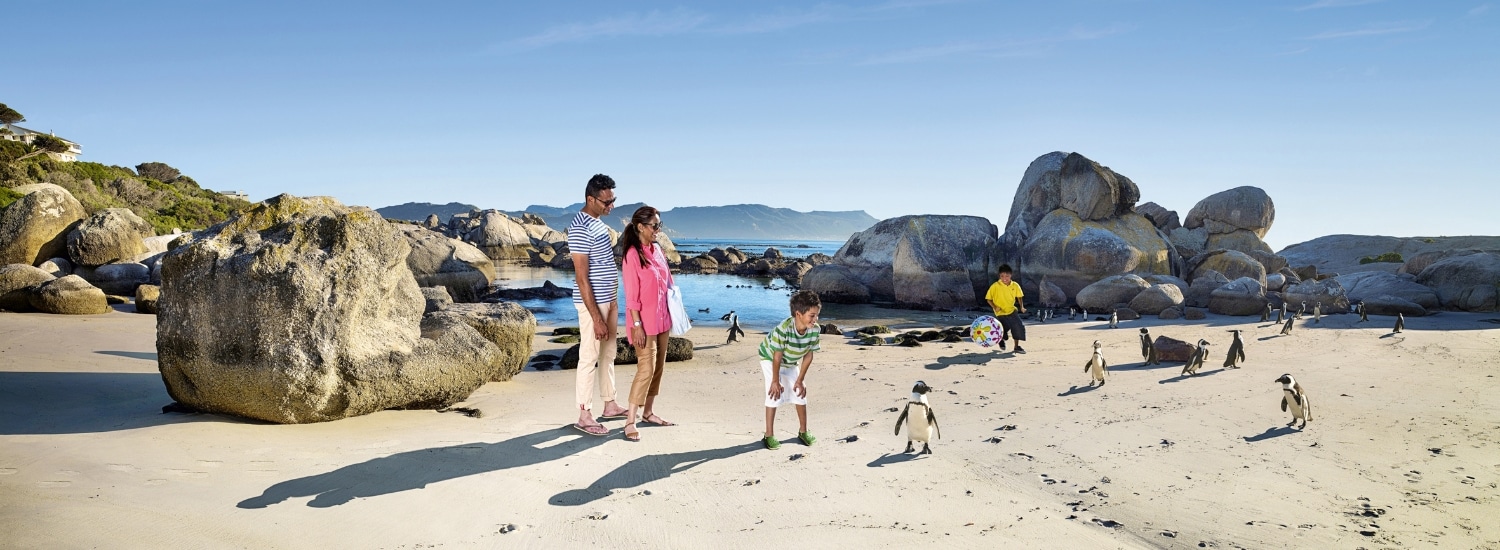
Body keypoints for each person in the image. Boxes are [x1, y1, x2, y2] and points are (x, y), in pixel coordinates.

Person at [568, 174, 629, 436]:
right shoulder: (580, 227)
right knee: (589, 356)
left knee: (608, 353)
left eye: (613, 200)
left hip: (609, 300)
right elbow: (582, 278)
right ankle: (584, 414)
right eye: (606, 202)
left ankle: (610, 403)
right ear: (590, 199)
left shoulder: (598, 224)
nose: (611, 206)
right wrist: (596, 317)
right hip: (593, 305)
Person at [619, 205, 676, 442]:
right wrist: (637, 325)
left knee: (658, 368)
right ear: (641, 227)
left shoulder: (658, 250)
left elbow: (668, 282)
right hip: (643, 322)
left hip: (663, 319)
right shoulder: (632, 255)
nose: (658, 230)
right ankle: (630, 421)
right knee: (646, 369)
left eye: (659, 225)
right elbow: (631, 296)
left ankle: (648, 412)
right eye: (654, 226)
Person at [758, 290, 822, 450]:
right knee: (774, 393)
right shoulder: (784, 329)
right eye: (812, 315)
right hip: (770, 357)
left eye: (817, 315)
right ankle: (769, 435)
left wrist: (800, 380)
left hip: (791, 360)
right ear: (798, 314)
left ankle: (803, 431)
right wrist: (775, 381)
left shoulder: (814, 329)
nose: (815, 319)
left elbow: (808, 355)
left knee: (800, 392)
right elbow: (777, 357)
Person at [984, 263, 1027, 354]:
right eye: (1002, 276)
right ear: (999, 276)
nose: (1004, 278)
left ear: (1011, 275)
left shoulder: (1015, 285)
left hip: (1011, 310)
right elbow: (988, 299)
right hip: (1000, 312)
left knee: (1017, 326)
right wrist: (995, 307)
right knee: (1003, 328)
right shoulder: (995, 286)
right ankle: (1001, 340)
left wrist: (1022, 307)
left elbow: (1019, 297)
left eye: (1007, 276)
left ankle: (1016, 347)